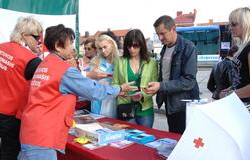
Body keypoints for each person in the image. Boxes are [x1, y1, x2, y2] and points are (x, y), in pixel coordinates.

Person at [18, 24, 137, 160]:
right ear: (58, 45)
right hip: (43, 137)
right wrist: (120, 89)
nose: (73, 48)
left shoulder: (44, 64)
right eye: (70, 44)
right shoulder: (64, 69)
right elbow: (94, 91)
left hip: (31, 131)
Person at [0, 16, 43, 160]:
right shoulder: (32, 60)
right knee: (10, 151)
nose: (39, 41)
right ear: (24, 36)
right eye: (36, 37)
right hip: (9, 113)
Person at [144, 15, 199, 134]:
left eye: (163, 33)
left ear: (173, 29)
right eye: (158, 34)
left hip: (184, 106)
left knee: (184, 142)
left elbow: (189, 81)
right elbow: (164, 76)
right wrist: (155, 88)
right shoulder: (165, 48)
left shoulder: (188, 47)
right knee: (173, 139)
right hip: (170, 104)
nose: (160, 37)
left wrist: (161, 86)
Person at [112, 29, 158, 128]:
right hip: (125, 107)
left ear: (141, 45)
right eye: (129, 46)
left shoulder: (152, 62)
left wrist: (142, 95)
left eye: (135, 46)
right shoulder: (120, 61)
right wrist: (122, 92)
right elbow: (114, 83)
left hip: (145, 109)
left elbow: (155, 86)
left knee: (145, 140)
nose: (132, 49)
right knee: (127, 140)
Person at [220, 8, 250, 114]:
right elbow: (243, 79)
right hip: (241, 104)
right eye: (229, 25)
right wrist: (230, 88)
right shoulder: (244, 46)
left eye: (234, 24)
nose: (230, 28)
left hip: (249, 107)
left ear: (245, 24)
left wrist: (230, 94)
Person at [90, 34, 119, 117]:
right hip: (98, 100)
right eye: (100, 48)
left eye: (105, 47)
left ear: (111, 44)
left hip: (112, 100)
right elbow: (90, 82)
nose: (103, 50)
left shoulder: (119, 62)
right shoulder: (95, 61)